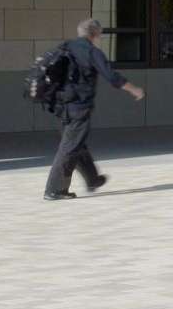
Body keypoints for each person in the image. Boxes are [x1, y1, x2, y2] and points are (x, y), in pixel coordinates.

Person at [43, 17, 146, 201]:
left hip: (61, 105)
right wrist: (135, 90)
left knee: (76, 143)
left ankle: (92, 179)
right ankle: (54, 189)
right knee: (69, 147)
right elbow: (112, 77)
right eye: (100, 33)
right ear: (95, 33)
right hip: (79, 107)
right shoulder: (92, 52)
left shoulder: (67, 47)